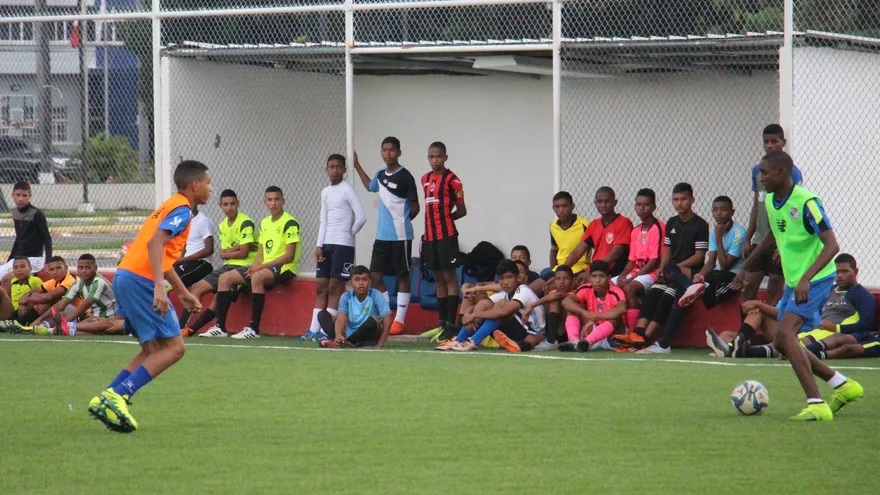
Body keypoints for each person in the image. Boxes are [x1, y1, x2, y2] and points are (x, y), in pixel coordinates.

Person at [732, 150, 862, 421]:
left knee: (785, 333)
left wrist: (806, 278)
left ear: (782, 173)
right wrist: (745, 267)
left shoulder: (807, 202)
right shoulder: (771, 201)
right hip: (795, 281)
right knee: (782, 341)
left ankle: (816, 403)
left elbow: (832, 245)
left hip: (816, 278)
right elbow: (772, 235)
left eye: (765, 173)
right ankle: (842, 384)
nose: (761, 179)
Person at [87, 160, 210, 433]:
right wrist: (158, 287)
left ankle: (105, 396)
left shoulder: (169, 206)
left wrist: (182, 292)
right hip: (140, 281)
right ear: (195, 185)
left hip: (126, 276)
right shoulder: (182, 211)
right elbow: (155, 244)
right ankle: (120, 395)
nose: (210, 188)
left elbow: (162, 258)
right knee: (175, 348)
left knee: (152, 349)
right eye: (208, 183)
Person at [709, 253, 875, 359]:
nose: (839, 276)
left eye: (845, 272)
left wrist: (836, 328)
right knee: (730, 333)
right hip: (809, 330)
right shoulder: (827, 290)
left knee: (788, 345)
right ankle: (735, 347)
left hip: (817, 331)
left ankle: (738, 350)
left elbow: (866, 324)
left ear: (856, 272)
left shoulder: (862, 294)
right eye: (837, 272)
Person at [612, 183, 709, 353]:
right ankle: (638, 336)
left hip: (688, 273)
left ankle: (657, 342)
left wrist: (673, 267)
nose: (679, 203)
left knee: (670, 298)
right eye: (675, 200)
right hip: (672, 272)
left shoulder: (700, 224)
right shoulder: (672, 222)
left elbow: (700, 257)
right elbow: (667, 251)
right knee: (653, 294)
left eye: (683, 199)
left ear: (692, 200)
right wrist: (664, 269)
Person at [205, 186, 301, 339]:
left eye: (277, 199)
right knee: (224, 278)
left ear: (283, 201)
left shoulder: (290, 222)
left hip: (285, 267)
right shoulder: (265, 222)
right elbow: (261, 253)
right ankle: (220, 327)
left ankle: (253, 329)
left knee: (257, 277)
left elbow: (289, 256)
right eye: (270, 200)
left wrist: (260, 268)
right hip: (266, 266)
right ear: (265, 202)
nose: (273, 203)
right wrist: (254, 266)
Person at [353, 137, 420, 336]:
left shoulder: (406, 176)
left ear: (399, 152)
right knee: (375, 277)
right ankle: (386, 315)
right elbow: (370, 186)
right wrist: (356, 165)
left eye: (391, 150)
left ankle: (399, 320)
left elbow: (415, 206)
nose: (388, 154)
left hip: (400, 236)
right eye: (384, 150)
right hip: (381, 236)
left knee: (402, 275)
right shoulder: (380, 174)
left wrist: (402, 221)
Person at [301, 155, 367, 341]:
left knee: (335, 286)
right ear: (326, 169)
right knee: (322, 285)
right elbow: (324, 220)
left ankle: (326, 330)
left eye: (338, 167)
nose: (335, 170)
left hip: (343, 245)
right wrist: (319, 244)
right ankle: (312, 330)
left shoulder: (347, 190)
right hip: (327, 244)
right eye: (331, 167)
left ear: (344, 169)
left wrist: (350, 233)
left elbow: (361, 217)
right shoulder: (326, 192)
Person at [182, 189, 258, 336]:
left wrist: (230, 252)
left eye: (232, 204)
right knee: (197, 287)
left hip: (245, 266)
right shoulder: (223, 225)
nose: (229, 208)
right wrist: (234, 250)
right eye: (226, 204)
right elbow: (222, 254)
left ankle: (212, 328)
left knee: (221, 290)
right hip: (227, 266)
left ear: (238, 204)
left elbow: (243, 253)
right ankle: (182, 327)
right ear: (220, 205)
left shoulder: (245, 223)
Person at [741, 124, 803, 305]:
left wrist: (782, 245)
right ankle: (746, 324)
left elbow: (793, 212)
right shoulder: (757, 171)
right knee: (747, 285)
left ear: (783, 142)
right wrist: (747, 238)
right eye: (766, 142)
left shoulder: (792, 173)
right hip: (760, 240)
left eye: (774, 141)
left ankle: (774, 323)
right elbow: (757, 206)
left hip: (779, 241)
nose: (770, 145)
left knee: (775, 287)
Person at [436, 259, 545, 352]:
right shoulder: (506, 293)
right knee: (485, 304)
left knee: (500, 306)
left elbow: (502, 312)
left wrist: (473, 316)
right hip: (518, 329)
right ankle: (459, 340)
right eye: (502, 278)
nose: (505, 282)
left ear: (517, 278)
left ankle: (473, 341)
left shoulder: (523, 290)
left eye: (509, 277)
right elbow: (481, 306)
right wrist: (469, 314)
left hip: (532, 333)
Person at [420, 142, 467, 339]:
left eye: (438, 156)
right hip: (429, 237)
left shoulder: (452, 180)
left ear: (445, 157)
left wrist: (446, 220)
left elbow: (462, 211)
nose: (434, 160)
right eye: (431, 157)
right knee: (438, 278)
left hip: (446, 236)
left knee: (450, 277)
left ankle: (450, 323)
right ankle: (440, 323)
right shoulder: (424, 179)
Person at [613, 188, 664, 333]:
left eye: (646, 205)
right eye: (638, 204)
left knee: (629, 288)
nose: (641, 208)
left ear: (653, 207)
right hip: (637, 272)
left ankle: (633, 331)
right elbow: (631, 261)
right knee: (608, 285)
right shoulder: (635, 231)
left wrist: (631, 279)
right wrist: (623, 275)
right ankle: (614, 329)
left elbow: (654, 261)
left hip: (652, 273)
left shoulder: (659, 228)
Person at [31, 254, 120, 336]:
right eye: (81, 268)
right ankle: (46, 328)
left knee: (95, 331)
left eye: (88, 268)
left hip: (111, 317)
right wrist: (39, 319)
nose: (84, 271)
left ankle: (51, 330)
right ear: (77, 268)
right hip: (94, 316)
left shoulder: (98, 282)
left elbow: (84, 306)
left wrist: (65, 322)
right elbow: (61, 304)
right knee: (72, 323)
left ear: (95, 268)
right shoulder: (78, 282)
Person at [494, 264, 575, 352]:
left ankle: (553, 341)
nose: (561, 282)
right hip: (551, 332)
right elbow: (553, 295)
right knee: (531, 338)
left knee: (558, 302)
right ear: (554, 281)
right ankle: (518, 345)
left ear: (573, 280)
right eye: (558, 279)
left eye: (566, 278)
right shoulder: (552, 292)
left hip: (567, 333)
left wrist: (532, 305)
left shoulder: (575, 294)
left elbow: (558, 295)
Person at [316, 265, 392, 349]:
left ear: (370, 282)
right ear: (351, 283)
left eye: (364, 279)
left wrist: (379, 345)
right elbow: (340, 318)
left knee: (374, 320)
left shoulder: (377, 295)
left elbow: (388, 319)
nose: (361, 283)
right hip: (350, 332)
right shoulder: (346, 296)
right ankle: (340, 341)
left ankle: (346, 343)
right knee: (322, 315)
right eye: (357, 280)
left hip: (369, 334)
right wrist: (338, 334)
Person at [564, 187, 633, 277]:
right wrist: (562, 271)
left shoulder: (624, 222)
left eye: (607, 201)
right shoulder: (594, 225)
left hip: (611, 272)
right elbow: (577, 251)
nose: (603, 205)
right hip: (594, 270)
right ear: (595, 203)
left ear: (615, 202)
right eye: (599, 202)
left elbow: (615, 254)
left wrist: (592, 272)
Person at [560, 260, 626, 352]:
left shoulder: (615, 291)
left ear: (608, 278)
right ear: (590, 278)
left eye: (601, 276)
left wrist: (596, 318)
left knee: (615, 318)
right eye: (594, 276)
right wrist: (585, 313)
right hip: (592, 331)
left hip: (610, 337)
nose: (597, 280)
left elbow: (622, 309)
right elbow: (566, 301)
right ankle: (574, 342)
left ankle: (586, 342)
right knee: (572, 310)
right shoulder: (586, 288)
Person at [0, 182, 52, 283]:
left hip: (34, 259)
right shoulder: (15, 212)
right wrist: (10, 259)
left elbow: (47, 238)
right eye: (18, 195)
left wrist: (48, 262)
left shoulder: (36, 214)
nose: (21, 199)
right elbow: (19, 238)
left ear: (30, 196)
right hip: (18, 258)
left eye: (24, 195)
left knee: (6, 278)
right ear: (12, 195)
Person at [15, 256, 78, 325]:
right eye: (51, 269)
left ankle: (34, 324)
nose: (55, 272)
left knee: (53, 302)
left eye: (58, 268)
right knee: (41, 301)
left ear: (66, 268)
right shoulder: (53, 281)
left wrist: (26, 299)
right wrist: (24, 300)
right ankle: (19, 322)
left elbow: (47, 297)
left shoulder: (70, 280)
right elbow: (33, 291)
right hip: (68, 313)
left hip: (79, 314)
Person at [545, 191, 590, 280]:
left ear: (572, 206)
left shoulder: (585, 225)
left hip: (580, 268)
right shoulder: (553, 226)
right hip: (559, 269)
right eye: (557, 207)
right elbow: (554, 250)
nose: (561, 210)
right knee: (537, 285)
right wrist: (553, 270)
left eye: (565, 206)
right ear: (553, 208)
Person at [173, 206, 214, 288]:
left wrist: (183, 260)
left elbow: (209, 250)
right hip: (187, 263)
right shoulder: (184, 223)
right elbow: (185, 245)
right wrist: (180, 260)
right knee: (163, 274)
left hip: (201, 263)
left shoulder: (203, 220)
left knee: (172, 281)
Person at [7, 257, 43, 325]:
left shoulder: (35, 280)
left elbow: (42, 296)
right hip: (13, 312)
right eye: (15, 267)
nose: (19, 270)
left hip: (26, 312)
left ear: (30, 268)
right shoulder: (13, 281)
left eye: (22, 266)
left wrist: (24, 303)